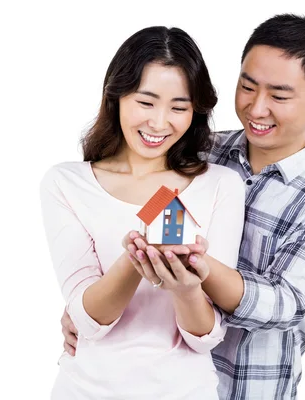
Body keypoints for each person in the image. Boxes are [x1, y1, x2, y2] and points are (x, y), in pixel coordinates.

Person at [60, 14, 305, 399]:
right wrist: (86, 305)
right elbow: (108, 217)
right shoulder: (196, 152)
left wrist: (194, 268)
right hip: (155, 384)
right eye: (247, 86)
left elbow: (284, 304)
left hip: (249, 385)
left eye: (279, 96)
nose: (257, 108)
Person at [40, 26, 246, 399]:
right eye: (145, 102)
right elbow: (86, 320)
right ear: (116, 96)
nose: (158, 122)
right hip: (85, 389)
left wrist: (186, 289)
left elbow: (206, 338)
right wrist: (133, 261)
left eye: (178, 107)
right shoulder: (66, 182)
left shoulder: (221, 184)